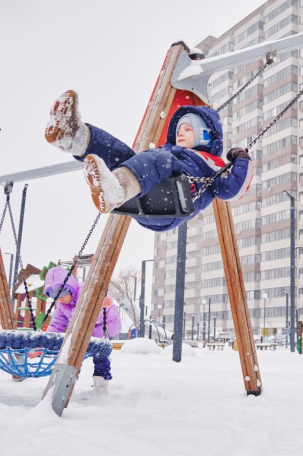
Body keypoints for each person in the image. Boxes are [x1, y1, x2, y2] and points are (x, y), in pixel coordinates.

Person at [44, 90, 253, 231]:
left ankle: (117, 188)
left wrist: (242, 160)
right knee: (123, 155)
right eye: (179, 130)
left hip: (172, 204)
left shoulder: (212, 163)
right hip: (145, 199)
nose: (181, 134)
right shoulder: (168, 151)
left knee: (158, 158)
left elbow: (231, 190)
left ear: (205, 136)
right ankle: (73, 136)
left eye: (188, 130)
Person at [43, 265, 121, 395]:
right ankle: (66, 385)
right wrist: (46, 342)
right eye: (55, 296)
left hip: (102, 327)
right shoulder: (62, 305)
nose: (61, 299)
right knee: (72, 356)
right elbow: (57, 324)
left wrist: (103, 305)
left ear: (71, 288)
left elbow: (100, 314)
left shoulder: (86, 291)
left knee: (100, 356)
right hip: (81, 331)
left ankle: (101, 385)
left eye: (63, 293)